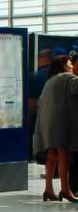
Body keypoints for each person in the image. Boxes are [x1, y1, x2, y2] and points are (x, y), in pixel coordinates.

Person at [33, 54, 78, 202]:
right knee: (64, 154)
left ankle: (48, 189)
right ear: (64, 66)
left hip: (47, 124)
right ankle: (65, 190)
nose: (72, 66)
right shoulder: (68, 78)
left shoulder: (50, 80)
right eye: (70, 63)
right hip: (61, 123)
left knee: (52, 155)